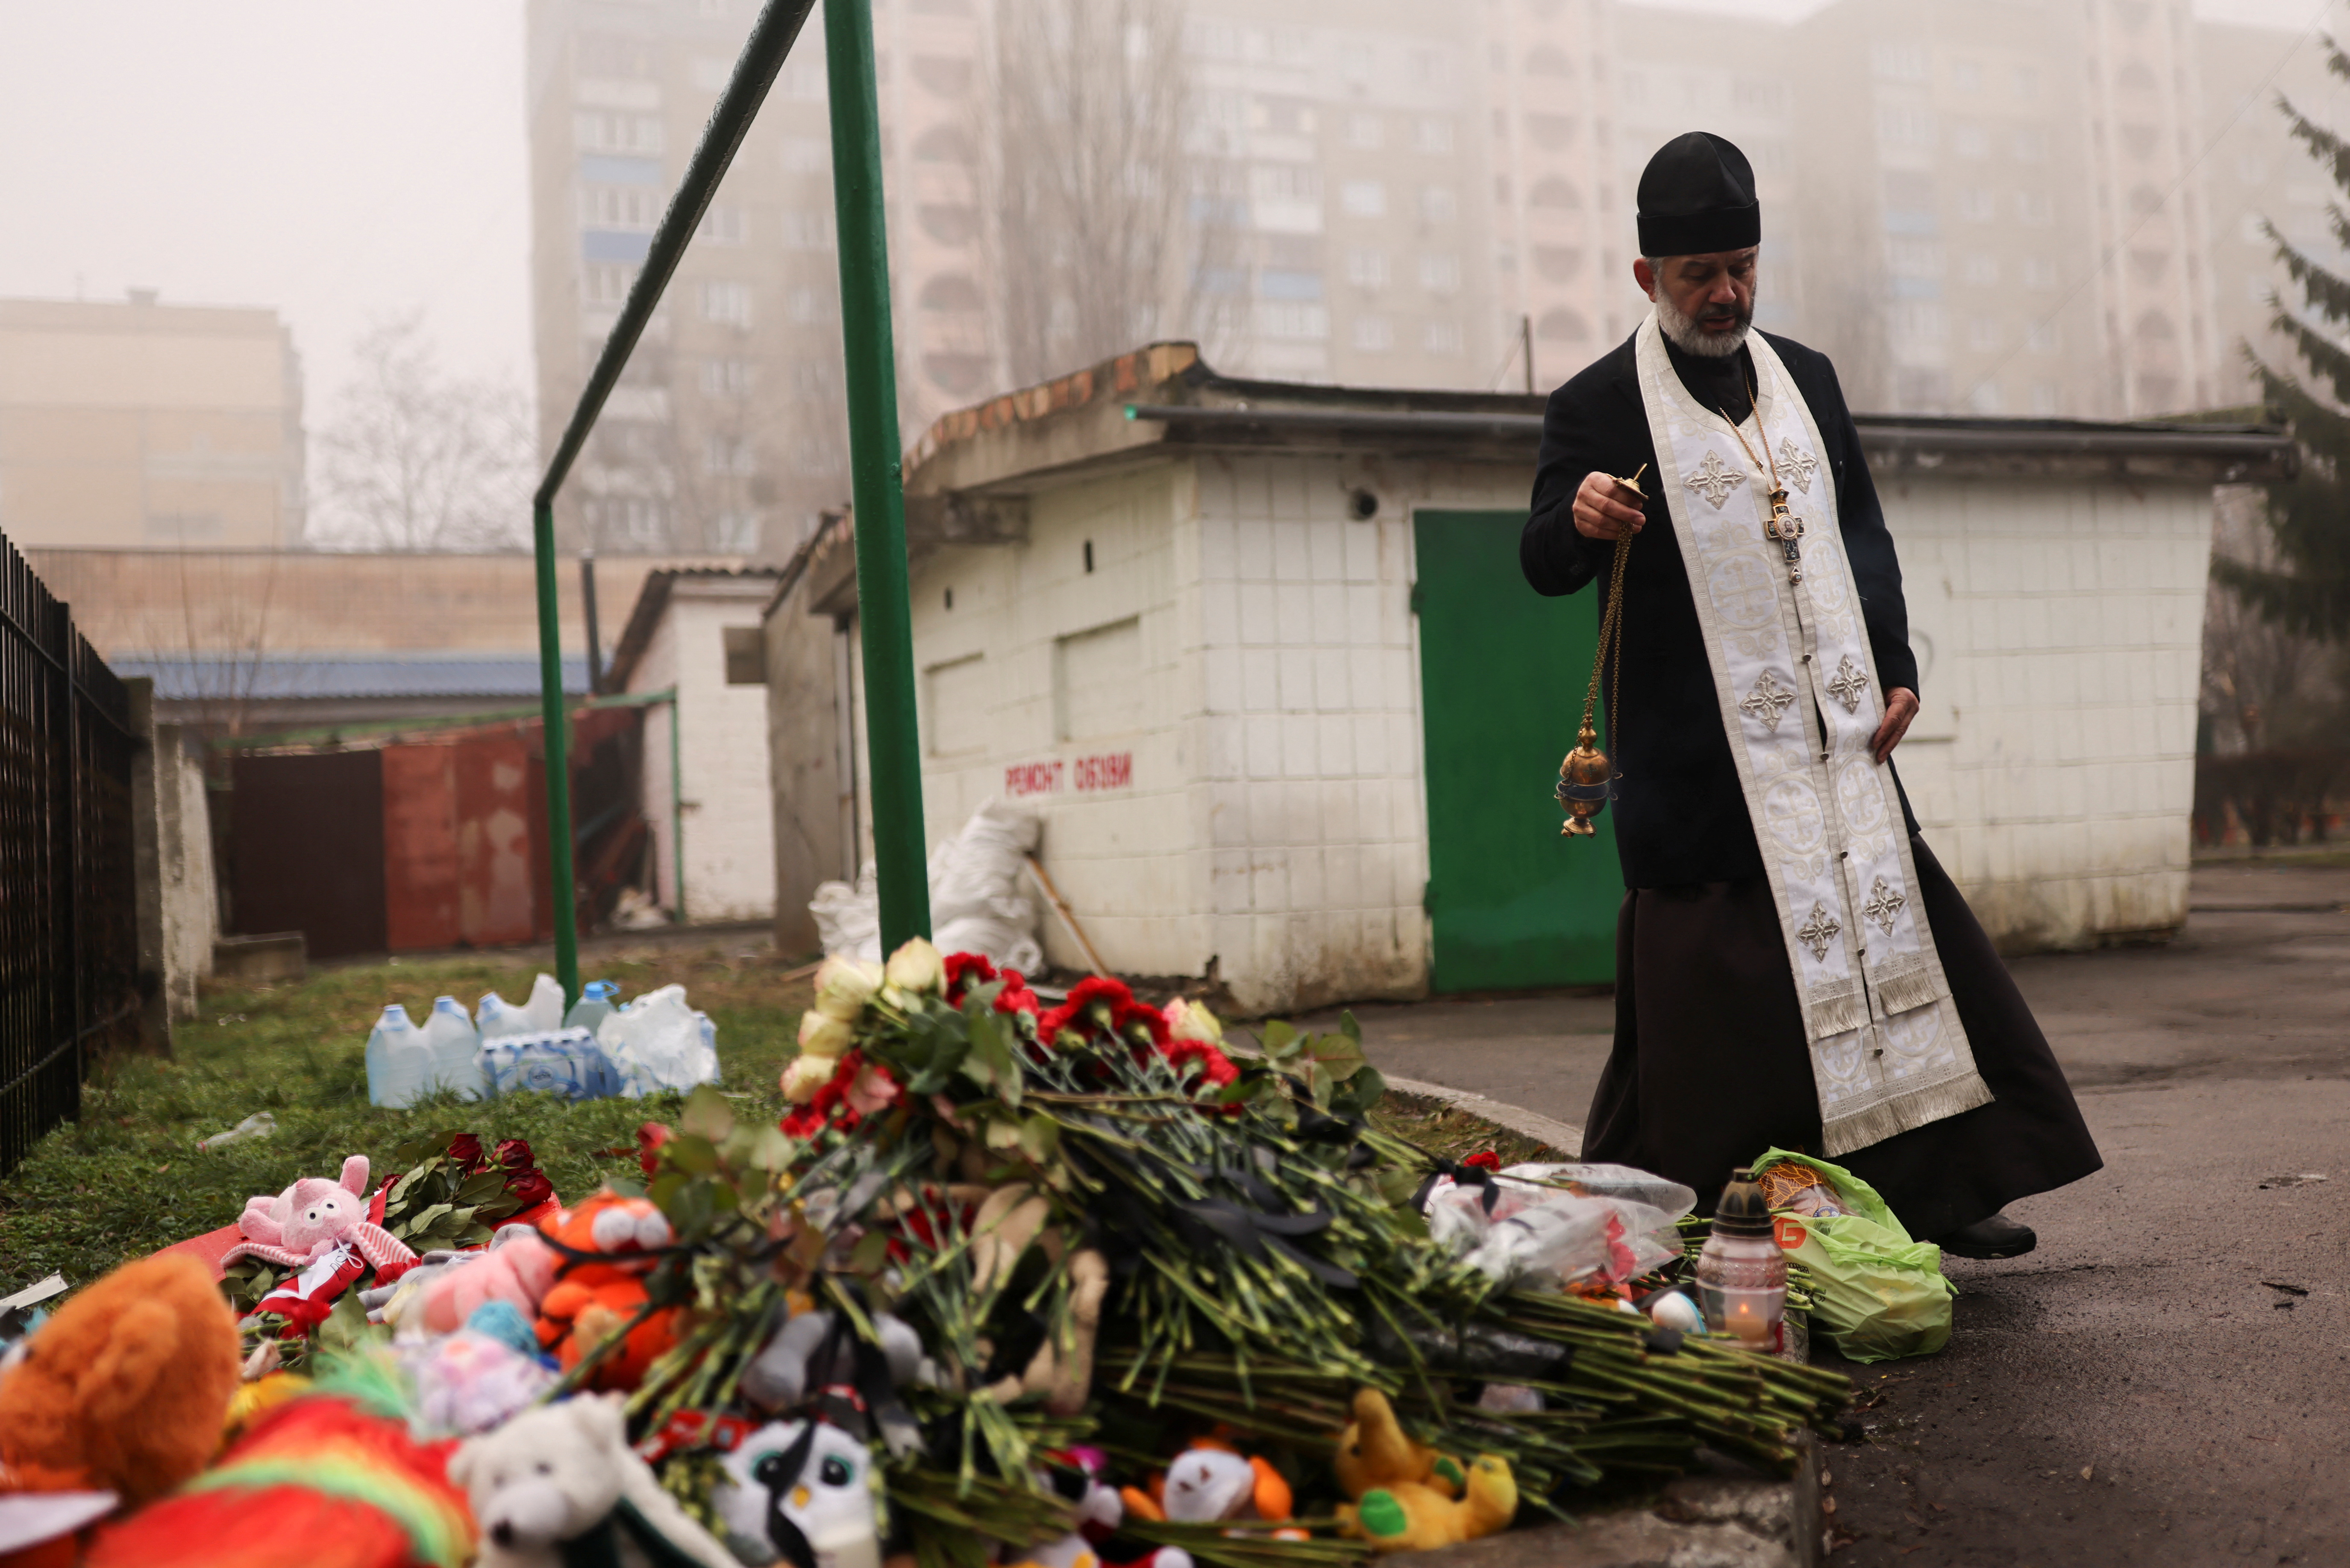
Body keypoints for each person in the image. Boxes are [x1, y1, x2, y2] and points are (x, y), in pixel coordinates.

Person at [1521, 131, 2100, 1258]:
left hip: (1837, 757)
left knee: (1896, 974)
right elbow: (1543, 557)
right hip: (1700, 778)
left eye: (1742, 265)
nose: (1727, 292)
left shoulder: (1809, 378)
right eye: (1700, 275)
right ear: (1646, 279)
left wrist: (1894, 666)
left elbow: (1860, 536)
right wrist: (1574, 516)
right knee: (1722, 1031)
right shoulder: (1594, 406)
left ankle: (1935, 1199)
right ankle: (1705, 1223)